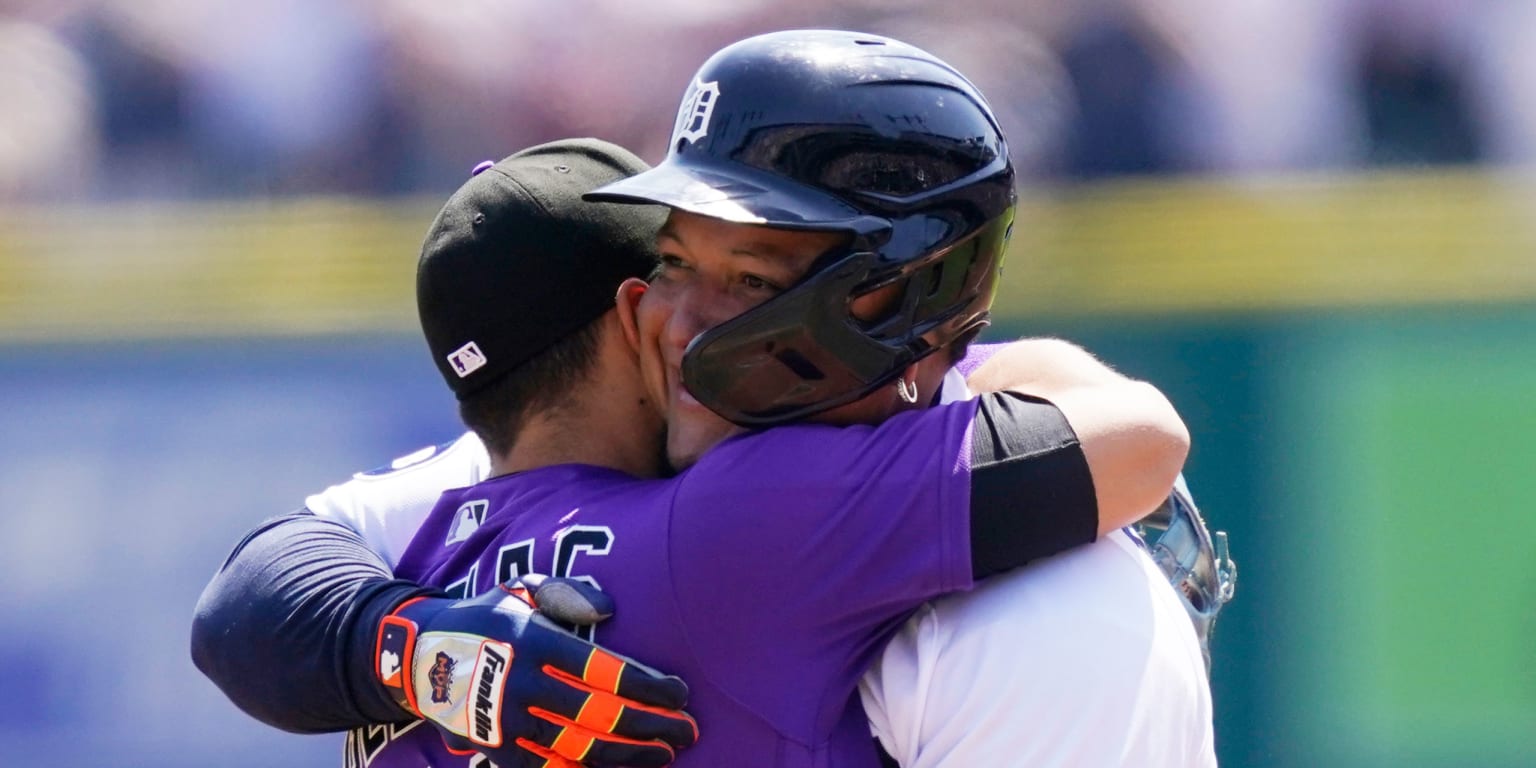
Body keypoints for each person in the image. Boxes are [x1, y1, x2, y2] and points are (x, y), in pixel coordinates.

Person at [191, 30, 1204, 768]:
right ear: (623, 320)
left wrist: (413, 648)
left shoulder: (456, 527)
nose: (685, 322)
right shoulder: (763, 509)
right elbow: (1142, 440)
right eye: (675, 264)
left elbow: (246, 601)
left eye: (747, 276)